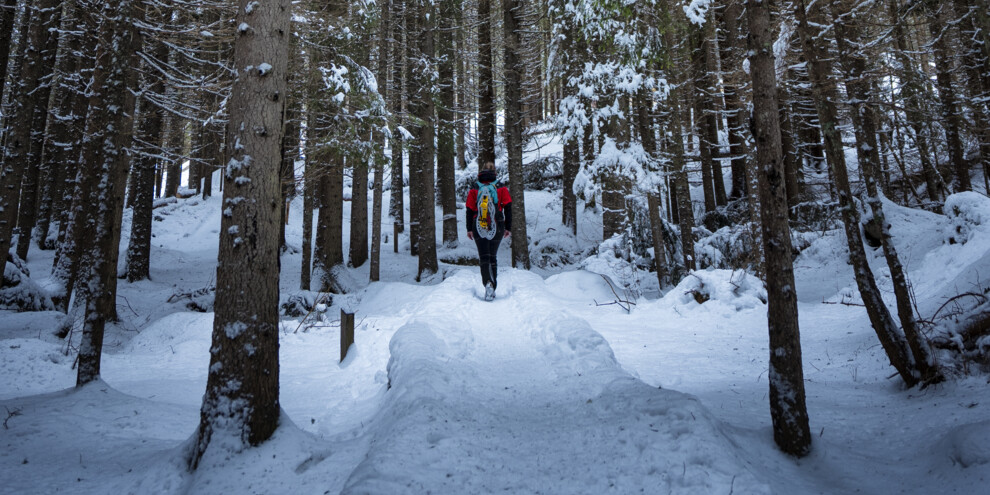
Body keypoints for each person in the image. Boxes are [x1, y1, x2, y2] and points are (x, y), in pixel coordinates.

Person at [466, 162, 512, 300]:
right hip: (497, 223)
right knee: (493, 257)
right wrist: (508, 227)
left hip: (478, 223)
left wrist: (469, 228)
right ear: (495, 173)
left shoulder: (475, 188)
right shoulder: (501, 187)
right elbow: (508, 207)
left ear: (481, 172)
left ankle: (487, 283)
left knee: (484, 257)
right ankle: (492, 286)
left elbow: (469, 209)